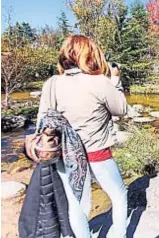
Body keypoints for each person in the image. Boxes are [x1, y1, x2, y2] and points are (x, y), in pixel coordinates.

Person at [36, 35, 128, 238]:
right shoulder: (100, 83)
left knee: (76, 205)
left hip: (66, 155)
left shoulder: (52, 83)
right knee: (119, 196)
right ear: (89, 55)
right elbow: (121, 109)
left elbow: (42, 120)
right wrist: (115, 80)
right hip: (97, 153)